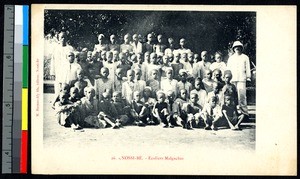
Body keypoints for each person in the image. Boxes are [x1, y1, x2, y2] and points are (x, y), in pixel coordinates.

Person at [226, 41, 251, 116]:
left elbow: (248, 68)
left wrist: (248, 77)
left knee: (242, 96)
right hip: (233, 80)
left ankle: (244, 113)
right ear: (233, 48)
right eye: (235, 47)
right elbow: (228, 69)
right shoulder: (231, 58)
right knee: (232, 97)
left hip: (241, 79)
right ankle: (233, 114)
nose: (237, 48)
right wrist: (227, 78)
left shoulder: (245, 57)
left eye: (239, 47)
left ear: (241, 48)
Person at [50, 32, 74, 96]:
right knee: (58, 88)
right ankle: (57, 102)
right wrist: (52, 73)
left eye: (64, 37)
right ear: (59, 39)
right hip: (58, 71)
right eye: (61, 37)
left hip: (67, 71)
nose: (63, 39)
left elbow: (73, 60)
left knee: (67, 87)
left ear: (66, 38)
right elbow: (53, 60)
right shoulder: (56, 48)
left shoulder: (70, 48)